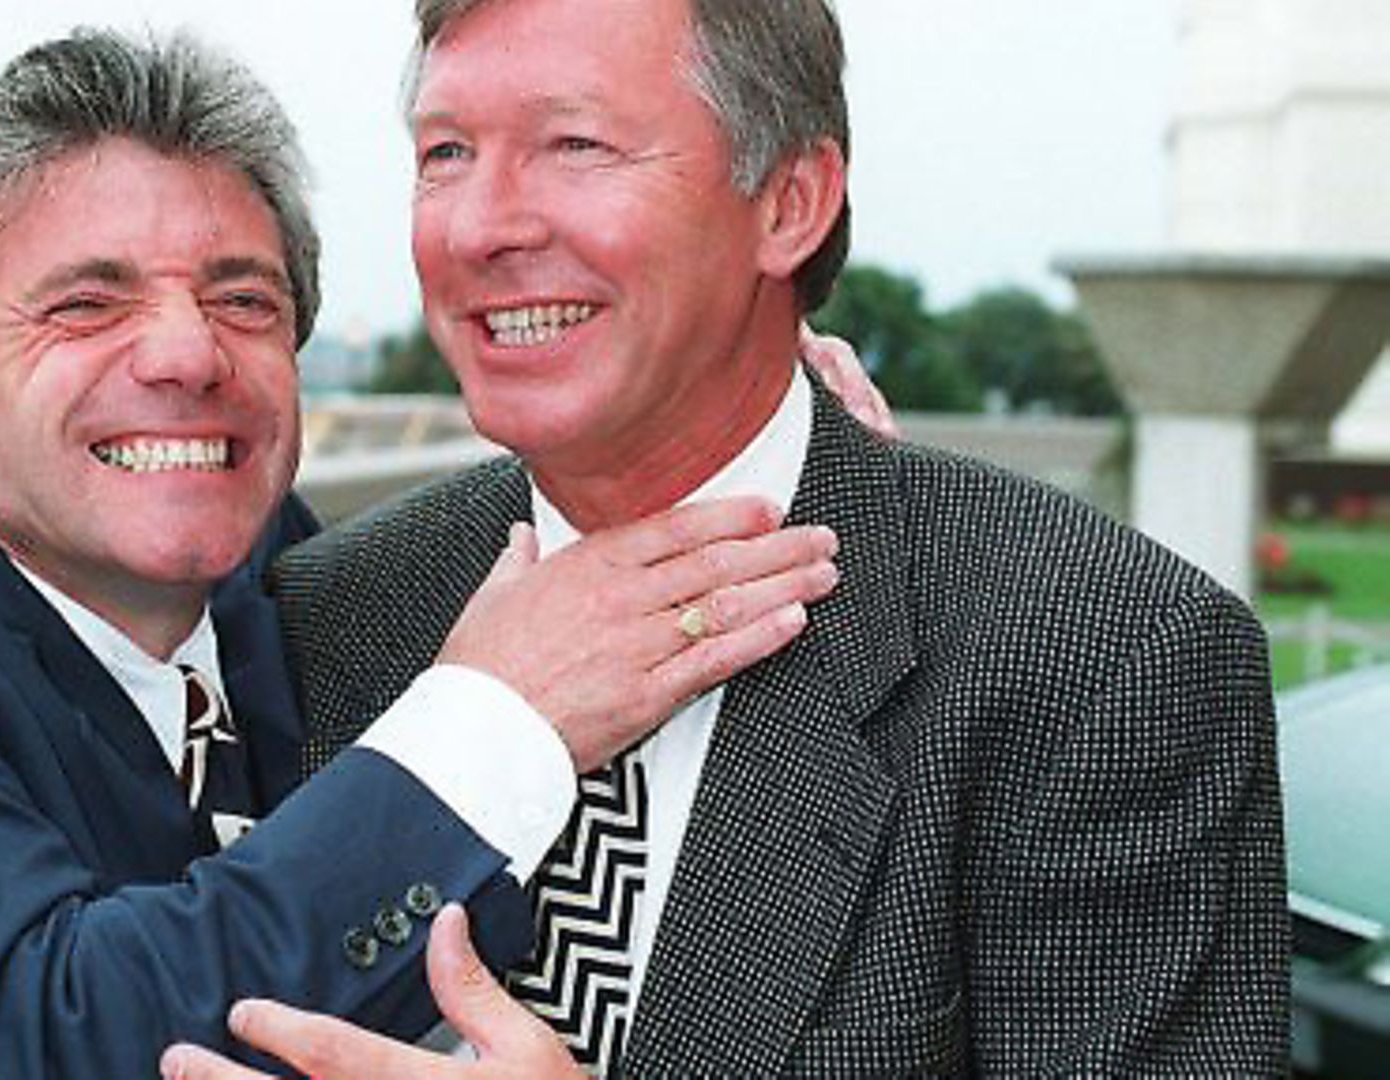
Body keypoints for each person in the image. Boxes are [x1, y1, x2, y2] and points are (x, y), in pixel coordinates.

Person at [0, 27, 855, 1080]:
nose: (185, 356)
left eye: (244, 300)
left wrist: (725, 410)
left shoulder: (262, 597)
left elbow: (517, 559)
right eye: (88, 302)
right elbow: (62, 1042)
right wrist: (495, 726)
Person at [166, 0, 1290, 1075]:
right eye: (445, 152)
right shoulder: (331, 610)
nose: (483, 225)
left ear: (790, 202)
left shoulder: (1105, 656)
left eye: (576, 144)